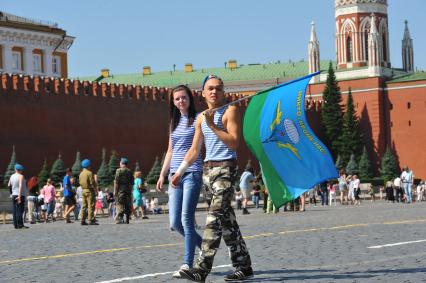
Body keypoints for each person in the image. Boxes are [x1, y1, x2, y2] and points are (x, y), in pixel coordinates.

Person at [172, 75, 253, 282]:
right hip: (208, 172)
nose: (214, 92)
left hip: (226, 168)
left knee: (213, 219)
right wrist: (180, 171)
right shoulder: (200, 118)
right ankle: (244, 266)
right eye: (210, 88)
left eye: (218, 88)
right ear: (203, 92)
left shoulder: (230, 111)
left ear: (223, 92)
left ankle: (201, 268)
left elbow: (234, 142)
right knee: (227, 222)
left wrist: (213, 125)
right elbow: (194, 150)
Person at [156, 85, 203, 278]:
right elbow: (170, 150)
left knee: (186, 219)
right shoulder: (173, 122)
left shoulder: (198, 118)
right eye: (177, 99)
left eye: (183, 97)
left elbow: (196, 147)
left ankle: (187, 264)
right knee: (175, 222)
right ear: (173, 102)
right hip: (174, 175)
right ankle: (204, 246)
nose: (181, 101)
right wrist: (162, 174)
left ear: (190, 99)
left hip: (191, 172)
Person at [114, 157, 133, 224]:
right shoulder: (129, 171)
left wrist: (115, 191)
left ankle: (119, 219)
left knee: (120, 203)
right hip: (128, 190)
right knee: (128, 204)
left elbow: (116, 182)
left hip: (120, 190)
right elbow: (132, 183)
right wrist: (130, 191)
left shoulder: (118, 171)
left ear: (121, 163)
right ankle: (127, 219)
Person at [8, 164, 28, 229]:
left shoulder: (11, 176)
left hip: (14, 195)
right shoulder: (21, 176)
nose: (22, 171)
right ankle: (20, 225)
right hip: (20, 195)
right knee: (20, 210)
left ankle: (15, 225)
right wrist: (19, 196)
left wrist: (11, 193)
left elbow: (9, 185)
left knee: (14, 210)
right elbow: (20, 186)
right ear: (20, 170)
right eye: (21, 170)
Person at [79, 159, 98, 225]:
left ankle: (82, 220)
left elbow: (80, 183)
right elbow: (92, 183)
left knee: (84, 206)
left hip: (83, 190)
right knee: (91, 205)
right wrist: (96, 190)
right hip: (89, 191)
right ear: (88, 165)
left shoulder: (81, 173)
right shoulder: (89, 173)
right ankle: (91, 220)